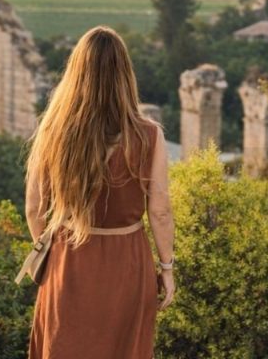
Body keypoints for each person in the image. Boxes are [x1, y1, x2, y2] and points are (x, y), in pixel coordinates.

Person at [25, 26, 175, 359]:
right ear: (124, 74)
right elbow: (160, 211)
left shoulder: (53, 130)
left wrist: (50, 258)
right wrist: (167, 268)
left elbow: (35, 208)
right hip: (128, 265)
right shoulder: (149, 136)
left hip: (68, 261)